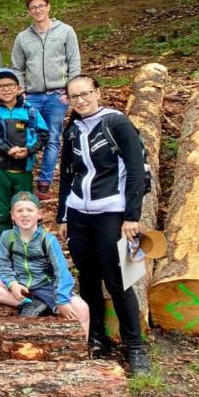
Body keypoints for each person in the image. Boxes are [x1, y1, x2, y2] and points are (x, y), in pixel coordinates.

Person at [57, 75, 149, 374]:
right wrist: (63, 215)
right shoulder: (72, 129)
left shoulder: (117, 124)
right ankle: (97, 337)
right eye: (74, 96)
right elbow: (68, 174)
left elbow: (136, 169)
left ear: (98, 93)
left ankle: (135, 346)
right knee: (87, 276)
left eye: (85, 94)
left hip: (112, 211)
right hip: (79, 213)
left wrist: (132, 216)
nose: (81, 100)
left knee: (119, 279)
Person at [0, 191, 90, 336]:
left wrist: (62, 300)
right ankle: (29, 303)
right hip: (20, 284)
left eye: (30, 210)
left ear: (39, 214)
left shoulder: (48, 240)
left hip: (45, 286)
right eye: (19, 210)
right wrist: (12, 283)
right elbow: (2, 264)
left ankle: (83, 350)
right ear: (12, 215)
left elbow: (62, 272)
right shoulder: (7, 236)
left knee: (82, 308)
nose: (24, 214)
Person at [11, 0, 82, 199]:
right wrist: (21, 89)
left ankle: (44, 182)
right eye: (33, 7)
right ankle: (23, 178)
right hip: (32, 95)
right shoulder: (23, 37)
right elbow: (16, 67)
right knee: (26, 136)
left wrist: (70, 92)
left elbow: (74, 62)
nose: (38, 10)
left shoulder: (65, 31)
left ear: (49, 7)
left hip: (56, 94)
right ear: (29, 11)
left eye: (41, 6)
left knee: (52, 138)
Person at [0, 68, 48, 240]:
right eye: (0, 86)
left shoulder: (30, 111)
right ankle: (2, 243)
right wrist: (7, 149)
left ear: (18, 88)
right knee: (0, 207)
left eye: (10, 85)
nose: (6, 89)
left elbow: (43, 134)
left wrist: (29, 150)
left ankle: (26, 243)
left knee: (24, 205)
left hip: (23, 168)